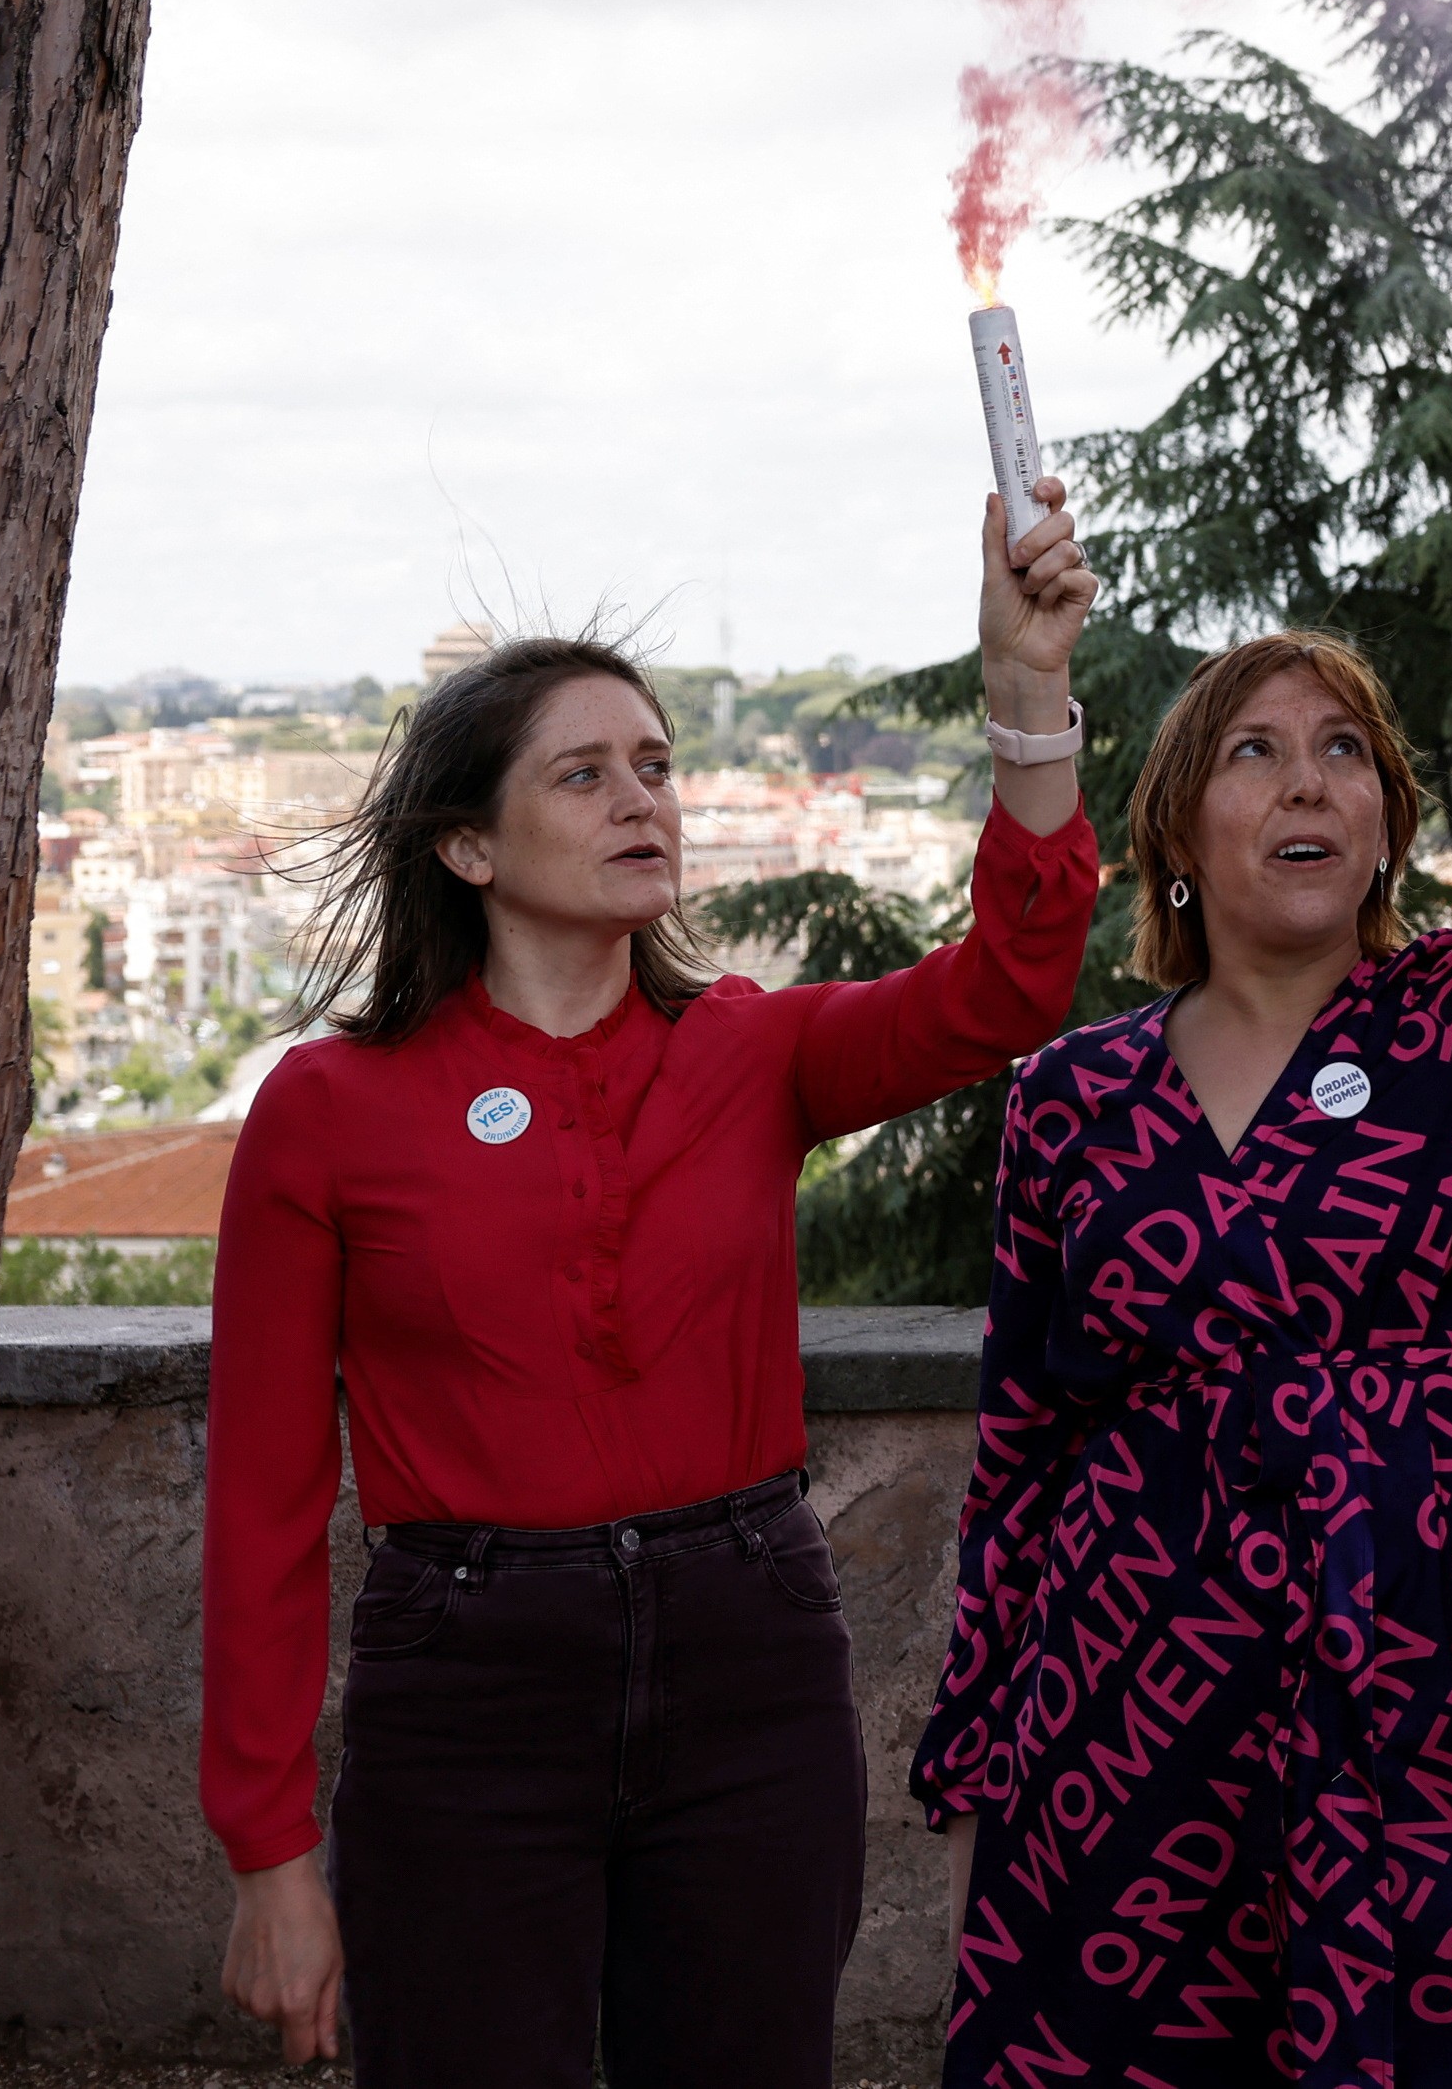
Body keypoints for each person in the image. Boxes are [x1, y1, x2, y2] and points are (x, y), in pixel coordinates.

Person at [204, 490, 1108, 2082]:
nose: (645, 800)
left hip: (748, 1663)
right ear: (469, 844)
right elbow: (265, 1504)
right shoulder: (328, 1111)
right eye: (585, 772)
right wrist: (272, 1857)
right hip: (465, 1692)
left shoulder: (754, 1053)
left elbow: (1013, 986)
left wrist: (1029, 696)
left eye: (657, 765)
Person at [916, 340, 1452, 2089]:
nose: (1305, 783)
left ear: (1385, 828)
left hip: (1430, 1659)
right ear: (1180, 837)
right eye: (1258, 756)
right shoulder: (1074, 1096)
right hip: (1131, 1698)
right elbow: (1021, 1449)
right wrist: (988, 1755)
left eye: (1344, 756)